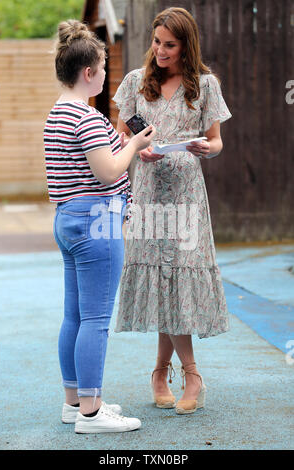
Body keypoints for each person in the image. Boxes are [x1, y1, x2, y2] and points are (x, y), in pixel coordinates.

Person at [113, 7, 232, 415]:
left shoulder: (206, 85)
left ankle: (181, 372)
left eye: (169, 45)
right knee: (162, 279)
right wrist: (138, 147)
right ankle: (167, 372)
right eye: (157, 42)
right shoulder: (134, 81)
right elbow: (123, 128)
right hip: (147, 192)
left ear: (186, 46)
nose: (160, 51)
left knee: (179, 279)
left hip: (186, 195)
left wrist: (205, 147)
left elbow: (216, 141)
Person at [44, 19, 156, 433]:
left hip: (68, 220)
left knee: (74, 315)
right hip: (98, 221)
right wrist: (135, 144)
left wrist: (129, 146)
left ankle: (75, 401)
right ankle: (91, 412)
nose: (107, 74)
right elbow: (108, 171)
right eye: (104, 68)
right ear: (88, 73)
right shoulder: (88, 118)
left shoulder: (57, 113)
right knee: (95, 319)